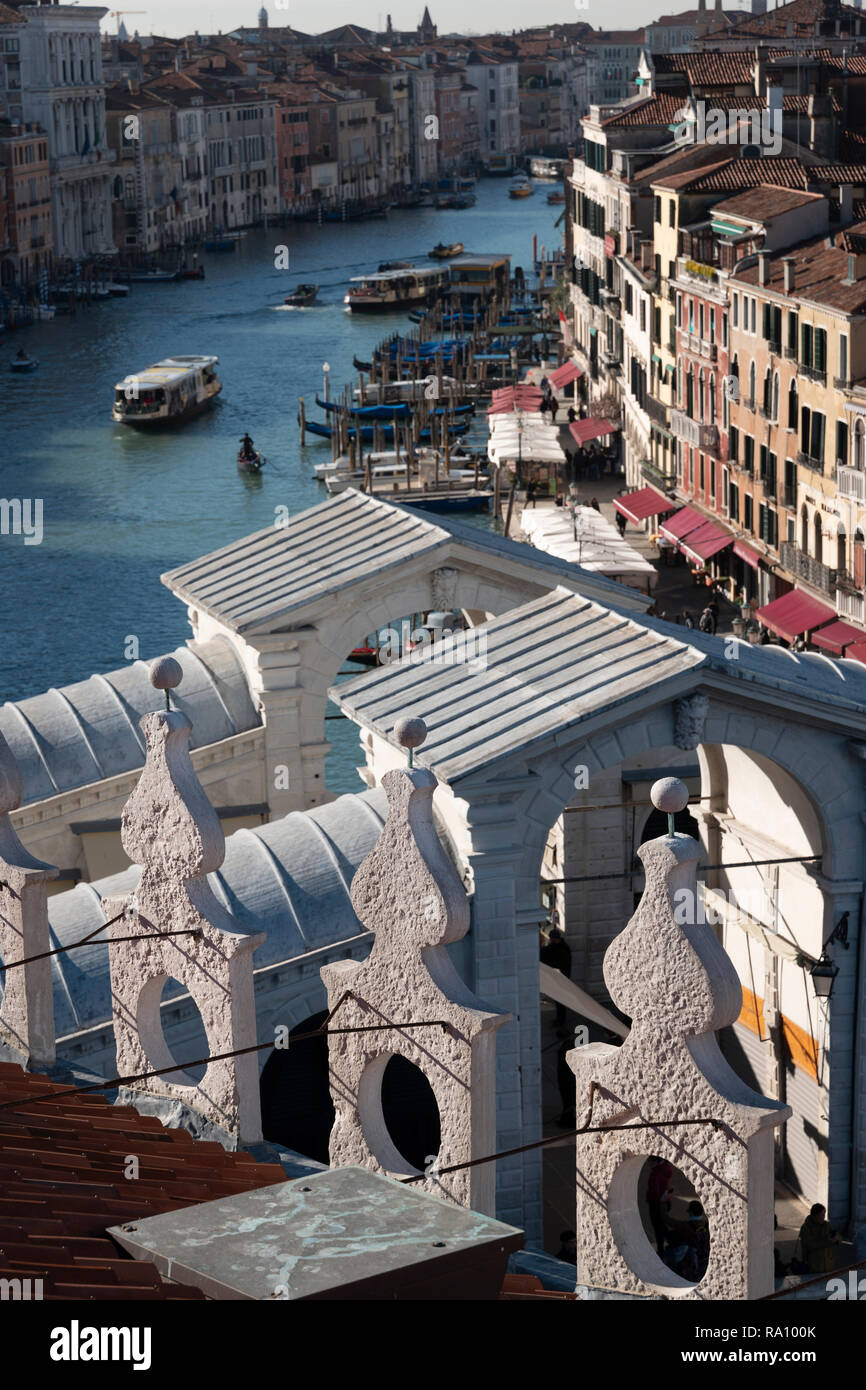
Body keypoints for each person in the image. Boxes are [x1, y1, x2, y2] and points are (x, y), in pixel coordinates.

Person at [540, 925, 572, 1036]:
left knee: (561, 1002)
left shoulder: (562, 949)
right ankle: (559, 1020)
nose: (550, 940)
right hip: (558, 979)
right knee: (559, 1002)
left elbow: (560, 963)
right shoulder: (558, 947)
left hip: (562, 980)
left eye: (552, 939)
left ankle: (561, 1022)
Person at [797, 1203, 840, 1274]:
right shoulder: (806, 1228)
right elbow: (809, 1245)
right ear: (814, 1215)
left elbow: (839, 1238)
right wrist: (828, 1241)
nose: (823, 1217)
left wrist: (837, 1239)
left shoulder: (827, 1225)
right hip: (813, 1267)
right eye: (821, 1215)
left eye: (824, 1214)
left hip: (828, 1266)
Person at [645, 1158, 674, 1254]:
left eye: (650, 1162)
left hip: (656, 1202)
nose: (649, 1164)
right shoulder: (665, 1168)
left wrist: (654, 1201)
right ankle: (674, 1242)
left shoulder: (656, 1173)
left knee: (658, 1227)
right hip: (664, 1201)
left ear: (655, 1161)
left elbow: (655, 1189)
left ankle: (661, 1250)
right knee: (662, 1225)